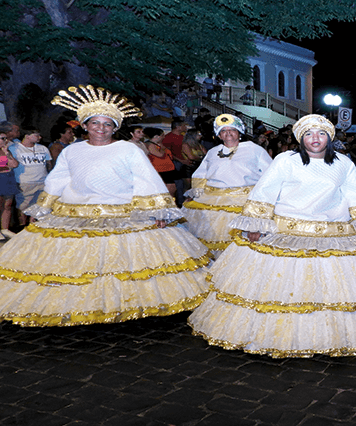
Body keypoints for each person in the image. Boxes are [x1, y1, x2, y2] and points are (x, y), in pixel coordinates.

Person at [188, 114, 356, 356]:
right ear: (301, 138)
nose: (315, 138)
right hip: (287, 230)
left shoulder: (342, 162)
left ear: (329, 138)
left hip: (333, 231)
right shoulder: (285, 160)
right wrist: (255, 224)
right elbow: (266, 190)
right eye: (309, 133)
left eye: (321, 133)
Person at [0, 85, 210, 327]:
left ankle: (121, 303)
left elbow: (145, 179)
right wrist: (42, 209)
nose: (101, 128)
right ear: (86, 125)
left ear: (115, 128)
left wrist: (157, 212)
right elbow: (58, 179)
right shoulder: (73, 151)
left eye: (107, 124)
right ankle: (77, 305)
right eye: (95, 123)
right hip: (73, 214)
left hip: (123, 213)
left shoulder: (128, 149)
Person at [183, 114, 272, 257]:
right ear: (219, 135)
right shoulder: (212, 152)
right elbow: (200, 174)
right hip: (212, 201)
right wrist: (196, 194)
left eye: (232, 130)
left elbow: (270, 174)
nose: (228, 133)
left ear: (239, 133)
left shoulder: (254, 149)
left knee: (239, 245)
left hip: (242, 201)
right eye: (224, 131)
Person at [9, 127, 52, 229]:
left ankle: (38, 227)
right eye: (36, 135)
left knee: (41, 206)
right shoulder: (14, 148)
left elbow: (49, 163)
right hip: (25, 182)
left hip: (42, 182)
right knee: (23, 207)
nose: (39, 137)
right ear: (27, 136)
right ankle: (22, 228)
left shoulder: (43, 148)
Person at [143, 127, 179, 198]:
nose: (164, 137)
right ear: (156, 136)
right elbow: (160, 154)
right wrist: (162, 148)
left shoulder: (158, 144)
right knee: (170, 188)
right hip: (161, 169)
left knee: (173, 187)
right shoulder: (151, 145)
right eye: (162, 135)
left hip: (168, 168)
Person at [163, 119, 190, 206]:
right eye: (184, 125)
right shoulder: (168, 138)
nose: (185, 127)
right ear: (178, 127)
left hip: (184, 162)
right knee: (178, 184)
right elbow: (167, 153)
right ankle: (179, 202)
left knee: (185, 183)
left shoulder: (183, 137)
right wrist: (181, 160)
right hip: (176, 163)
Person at [0, 129, 20, 239]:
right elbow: (3, 166)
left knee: (7, 205)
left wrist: (7, 153)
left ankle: (5, 229)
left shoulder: (6, 151)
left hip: (8, 178)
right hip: (1, 178)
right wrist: (6, 164)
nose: (5, 140)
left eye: (5, 138)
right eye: (2, 138)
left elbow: (14, 164)